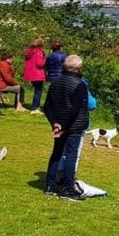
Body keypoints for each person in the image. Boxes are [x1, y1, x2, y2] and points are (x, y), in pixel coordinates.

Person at [43, 54, 90, 201]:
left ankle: (50, 185)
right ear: (78, 68)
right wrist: (64, 127)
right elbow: (75, 110)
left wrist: (54, 123)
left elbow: (47, 107)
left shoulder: (55, 82)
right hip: (73, 126)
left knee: (56, 153)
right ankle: (69, 188)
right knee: (71, 156)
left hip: (58, 124)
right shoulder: (80, 84)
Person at [23, 38, 47, 114]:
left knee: (37, 90)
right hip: (38, 73)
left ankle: (34, 106)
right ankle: (35, 108)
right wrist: (45, 60)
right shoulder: (39, 52)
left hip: (31, 74)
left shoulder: (28, 51)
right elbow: (39, 64)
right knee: (38, 91)